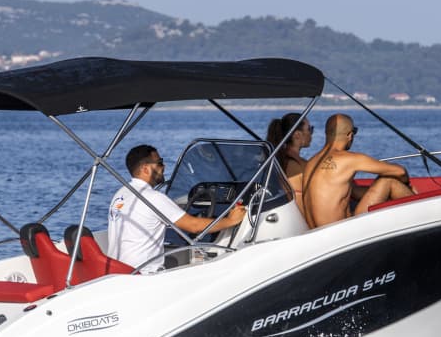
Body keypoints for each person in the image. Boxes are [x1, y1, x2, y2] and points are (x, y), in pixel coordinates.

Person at [108, 144, 247, 272]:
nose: (164, 167)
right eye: (160, 163)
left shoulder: (120, 194)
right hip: (144, 275)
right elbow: (194, 226)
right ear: (145, 168)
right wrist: (230, 220)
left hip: (120, 272)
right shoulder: (153, 198)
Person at [301, 113, 414, 228]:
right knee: (389, 180)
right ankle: (420, 213)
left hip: (317, 234)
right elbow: (400, 171)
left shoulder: (311, 163)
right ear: (350, 135)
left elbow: (353, 191)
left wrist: (385, 195)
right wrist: (406, 186)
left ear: (327, 133)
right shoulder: (349, 159)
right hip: (340, 233)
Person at [266, 113, 314, 216]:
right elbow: (302, 207)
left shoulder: (279, 159)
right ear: (297, 135)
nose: (311, 133)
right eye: (310, 129)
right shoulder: (297, 166)